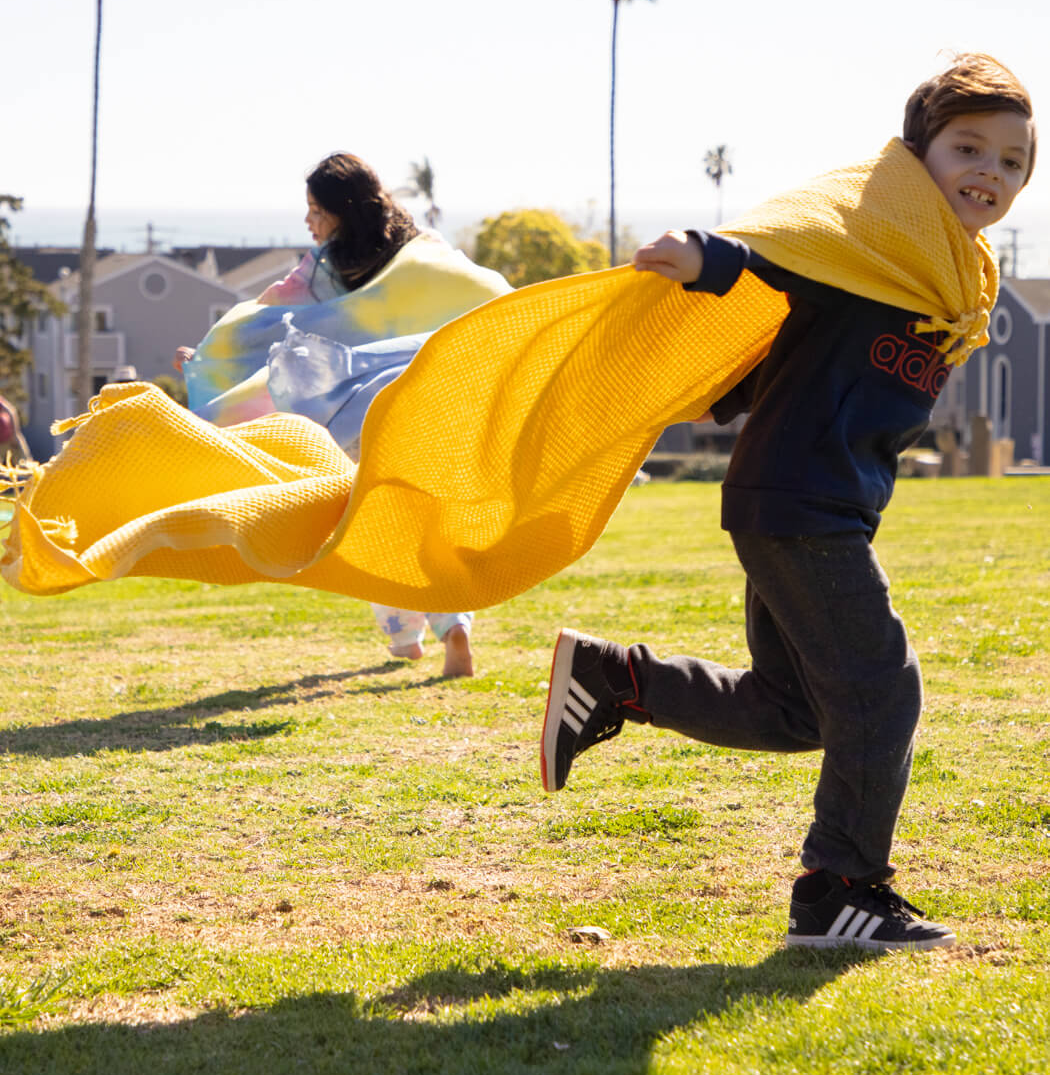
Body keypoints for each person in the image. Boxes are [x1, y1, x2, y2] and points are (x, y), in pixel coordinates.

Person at [540, 53, 1036, 951]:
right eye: (969, 148)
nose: (989, 174)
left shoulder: (940, 273)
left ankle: (615, 679)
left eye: (1012, 162)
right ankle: (840, 889)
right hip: (798, 502)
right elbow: (789, 264)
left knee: (797, 708)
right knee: (883, 693)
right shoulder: (869, 236)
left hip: (815, 504)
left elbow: (795, 346)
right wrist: (707, 259)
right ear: (913, 156)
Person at [175, 153, 512, 676]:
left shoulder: (325, 274)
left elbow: (263, 327)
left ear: (339, 211)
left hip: (355, 417)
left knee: (371, 521)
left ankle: (403, 635)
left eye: (315, 211)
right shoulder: (419, 251)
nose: (309, 222)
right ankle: (454, 628)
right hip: (422, 405)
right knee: (421, 515)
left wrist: (207, 363)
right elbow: (486, 297)